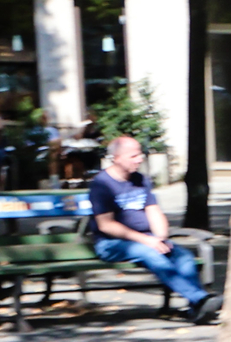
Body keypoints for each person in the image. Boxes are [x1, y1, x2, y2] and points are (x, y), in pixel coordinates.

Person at [89, 136, 218, 323]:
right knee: (151, 254)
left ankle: (196, 310)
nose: (140, 159)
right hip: (111, 243)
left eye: (140, 154)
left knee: (184, 257)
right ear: (116, 158)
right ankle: (200, 299)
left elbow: (153, 210)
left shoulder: (140, 180)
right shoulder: (102, 184)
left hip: (147, 239)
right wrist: (148, 241)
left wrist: (160, 237)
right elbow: (106, 225)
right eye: (133, 156)